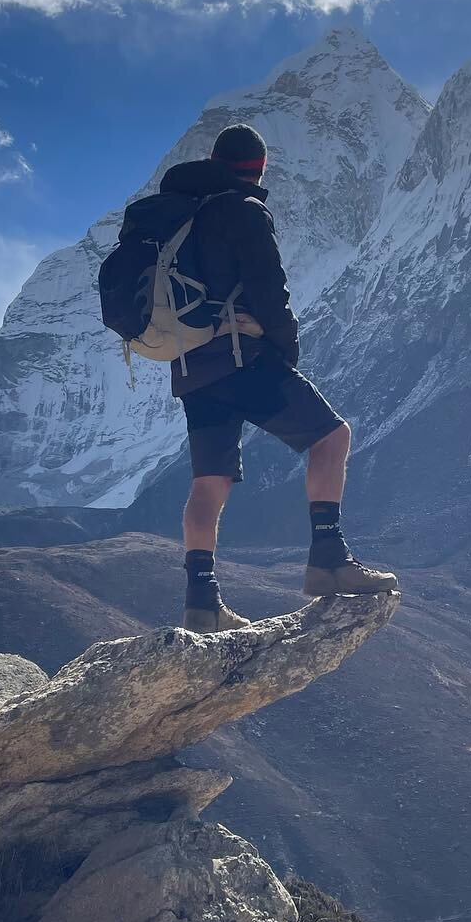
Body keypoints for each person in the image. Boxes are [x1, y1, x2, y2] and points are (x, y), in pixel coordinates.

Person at [159, 121, 398, 632]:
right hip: (242, 355)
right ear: (259, 169)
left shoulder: (178, 219)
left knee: (209, 481)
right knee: (332, 438)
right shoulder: (243, 211)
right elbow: (269, 288)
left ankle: (201, 599)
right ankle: (328, 559)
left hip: (190, 366)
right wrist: (285, 349)